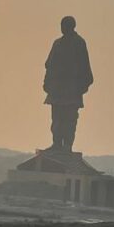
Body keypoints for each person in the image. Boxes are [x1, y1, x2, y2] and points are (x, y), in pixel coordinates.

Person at [43, 16, 93, 151]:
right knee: (57, 119)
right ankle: (57, 143)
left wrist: (81, 88)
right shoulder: (57, 44)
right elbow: (49, 65)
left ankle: (67, 145)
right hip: (57, 91)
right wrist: (47, 83)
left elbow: (85, 68)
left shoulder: (79, 43)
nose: (63, 28)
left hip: (72, 91)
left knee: (70, 120)